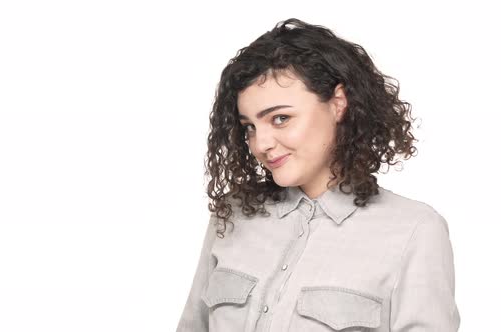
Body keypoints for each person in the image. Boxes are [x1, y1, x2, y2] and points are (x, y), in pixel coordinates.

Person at [176, 18, 460, 332]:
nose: (261, 143)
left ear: (338, 104)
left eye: (280, 118)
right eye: (250, 127)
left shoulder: (415, 231)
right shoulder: (233, 214)